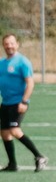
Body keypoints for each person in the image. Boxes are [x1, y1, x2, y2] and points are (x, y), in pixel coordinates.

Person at [1, 33, 45, 172]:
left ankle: (39, 156)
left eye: (12, 43)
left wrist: (24, 101)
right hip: (6, 103)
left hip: (18, 102)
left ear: (17, 44)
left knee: (14, 130)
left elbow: (30, 83)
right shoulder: (2, 63)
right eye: (6, 44)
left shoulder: (23, 62)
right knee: (4, 133)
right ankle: (12, 164)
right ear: (3, 46)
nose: (9, 46)